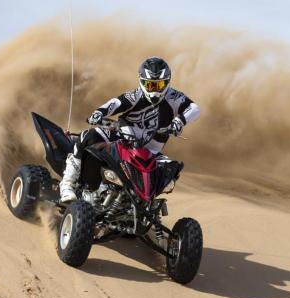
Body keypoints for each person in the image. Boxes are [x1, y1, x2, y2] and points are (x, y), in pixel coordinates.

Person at [60, 57, 200, 202]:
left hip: (150, 152)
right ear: (142, 81)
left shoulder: (174, 97)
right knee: (88, 136)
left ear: (167, 82)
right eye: (150, 85)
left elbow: (195, 108)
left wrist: (178, 122)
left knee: (172, 169)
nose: (154, 90)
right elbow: (117, 103)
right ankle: (67, 185)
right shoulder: (136, 95)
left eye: (159, 85)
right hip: (122, 140)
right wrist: (100, 112)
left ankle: (147, 206)